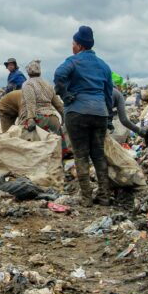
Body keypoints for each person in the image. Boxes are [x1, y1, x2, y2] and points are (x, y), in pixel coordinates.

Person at [53, 25, 114, 206]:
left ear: (79, 45)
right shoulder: (103, 66)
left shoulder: (73, 61)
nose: (72, 47)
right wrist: (108, 118)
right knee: (98, 155)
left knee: (81, 155)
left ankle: (86, 197)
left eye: (73, 43)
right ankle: (104, 195)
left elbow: (59, 75)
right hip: (99, 113)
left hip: (77, 111)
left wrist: (65, 95)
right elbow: (108, 94)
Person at [21, 60, 64, 134]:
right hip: (53, 119)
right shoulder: (48, 84)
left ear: (28, 72)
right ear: (39, 72)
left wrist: (30, 118)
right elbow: (58, 104)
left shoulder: (28, 84)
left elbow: (30, 102)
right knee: (55, 144)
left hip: (40, 119)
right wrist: (64, 115)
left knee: (36, 144)